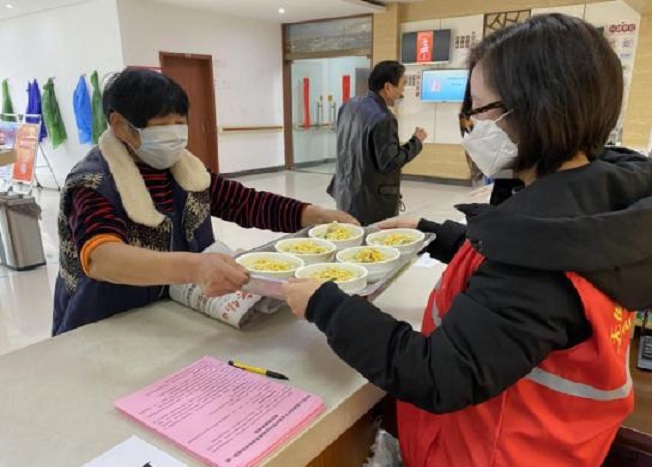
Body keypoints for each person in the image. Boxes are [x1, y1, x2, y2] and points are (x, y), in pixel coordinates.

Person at [284, 14, 652, 466]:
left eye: (478, 109)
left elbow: (437, 373)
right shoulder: (592, 211)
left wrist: (325, 305)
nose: (471, 125)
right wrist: (431, 233)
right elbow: (505, 266)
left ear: (533, 109)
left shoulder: (544, 252)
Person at [53, 68, 356, 335]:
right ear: (120, 124)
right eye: (162, 124)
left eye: (179, 122)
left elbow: (244, 202)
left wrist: (313, 215)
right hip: (106, 322)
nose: (174, 135)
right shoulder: (93, 183)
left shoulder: (185, 170)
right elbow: (102, 259)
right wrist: (195, 267)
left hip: (170, 315)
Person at [327, 60, 427, 226]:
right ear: (388, 87)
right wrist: (416, 141)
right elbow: (390, 162)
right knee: (371, 240)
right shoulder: (383, 118)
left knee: (351, 234)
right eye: (402, 84)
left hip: (345, 194)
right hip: (371, 203)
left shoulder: (348, 106)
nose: (403, 91)